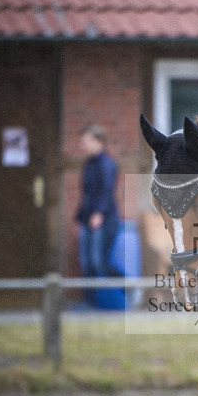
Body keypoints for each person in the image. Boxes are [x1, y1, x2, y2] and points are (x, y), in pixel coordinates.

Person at [75, 125, 120, 302]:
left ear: (98, 141)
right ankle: (90, 304)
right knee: (87, 265)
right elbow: (87, 194)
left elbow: (107, 191)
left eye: (86, 141)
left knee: (98, 262)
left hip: (104, 220)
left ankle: (129, 286)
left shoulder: (107, 164)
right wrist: (80, 218)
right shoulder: (89, 164)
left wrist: (99, 214)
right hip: (87, 219)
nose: (83, 144)